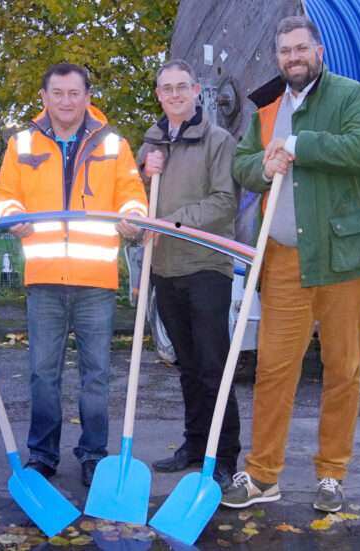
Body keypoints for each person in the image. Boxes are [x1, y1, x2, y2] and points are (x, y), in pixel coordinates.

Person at [221, 15, 360, 513]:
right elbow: (243, 164)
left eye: (301, 48)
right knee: (274, 370)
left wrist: (298, 145)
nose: (293, 58)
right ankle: (261, 475)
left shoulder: (353, 96)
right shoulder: (268, 107)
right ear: (278, 57)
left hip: (346, 260)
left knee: (343, 370)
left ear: (319, 50)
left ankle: (331, 474)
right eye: (285, 51)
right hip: (285, 261)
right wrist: (262, 165)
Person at [0, 63, 148, 487]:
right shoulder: (21, 142)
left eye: (73, 93)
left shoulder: (113, 144)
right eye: (57, 93)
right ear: (44, 97)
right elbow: (3, 194)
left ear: (87, 95)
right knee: (44, 372)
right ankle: (42, 456)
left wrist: (134, 217)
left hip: (95, 280)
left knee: (96, 374)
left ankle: (94, 455)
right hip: (43, 278)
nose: (65, 101)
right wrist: (12, 215)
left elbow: (133, 194)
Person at [136, 60, 240, 487]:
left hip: (207, 266)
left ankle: (224, 453)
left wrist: (172, 223)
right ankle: (195, 443)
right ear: (158, 95)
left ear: (197, 91)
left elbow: (223, 203)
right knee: (187, 365)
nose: (175, 94)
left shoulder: (218, 141)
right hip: (165, 268)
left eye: (182, 87)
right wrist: (141, 207)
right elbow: (135, 202)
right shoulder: (151, 146)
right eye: (167, 88)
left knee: (214, 364)